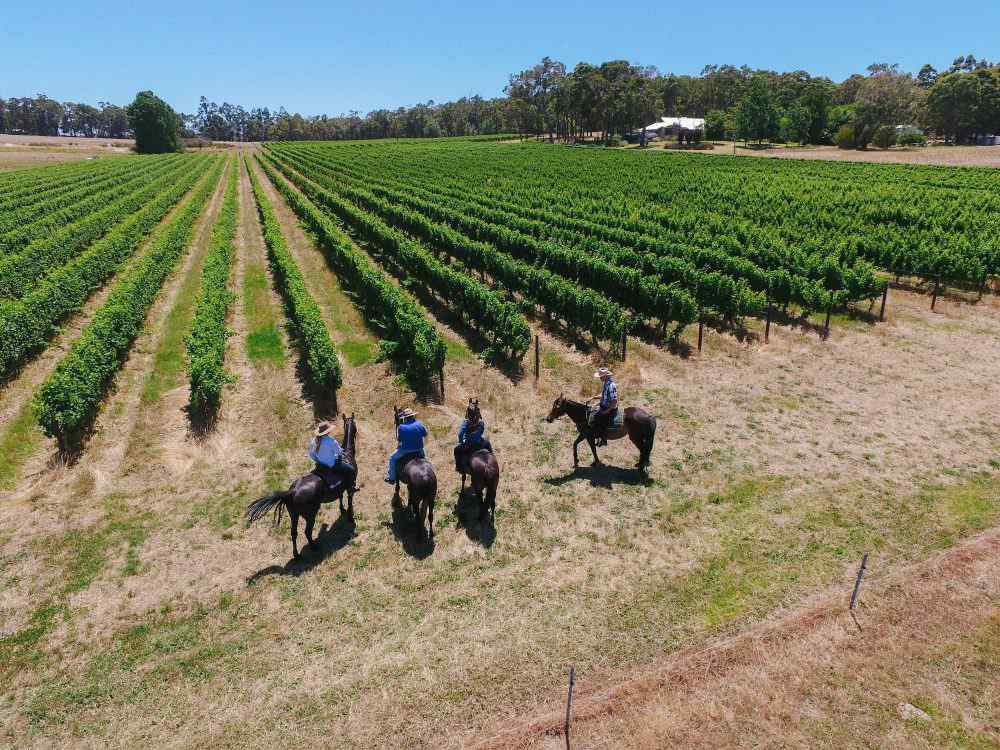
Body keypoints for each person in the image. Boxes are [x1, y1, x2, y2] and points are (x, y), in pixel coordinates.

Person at [309, 422, 357, 496]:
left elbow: (311, 454)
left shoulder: (313, 441)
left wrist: (318, 460)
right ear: (328, 431)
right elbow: (339, 452)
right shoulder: (331, 441)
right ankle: (351, 488)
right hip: (332, 465)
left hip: (320, 465)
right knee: (351, 470)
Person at [385, 408, 427, 484]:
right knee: (425, 460)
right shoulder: (419, 423)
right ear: (413, 416)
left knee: (392, 459)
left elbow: (399, 440)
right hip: (419, 449)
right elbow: (425, 434)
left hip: (405, 450)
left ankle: (391, 478)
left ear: (405, 418)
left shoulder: (401, 427)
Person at [591, 367, 618, 446]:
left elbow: (614, 401)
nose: (600, 378)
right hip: (604, 405)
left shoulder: (611, 386)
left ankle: (603, 439)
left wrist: (607, 411)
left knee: (599, 420)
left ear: (605, 376)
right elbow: (604, 395)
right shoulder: (606, 383)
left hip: (609, 408)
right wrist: (593, 397)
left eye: (601, 377)